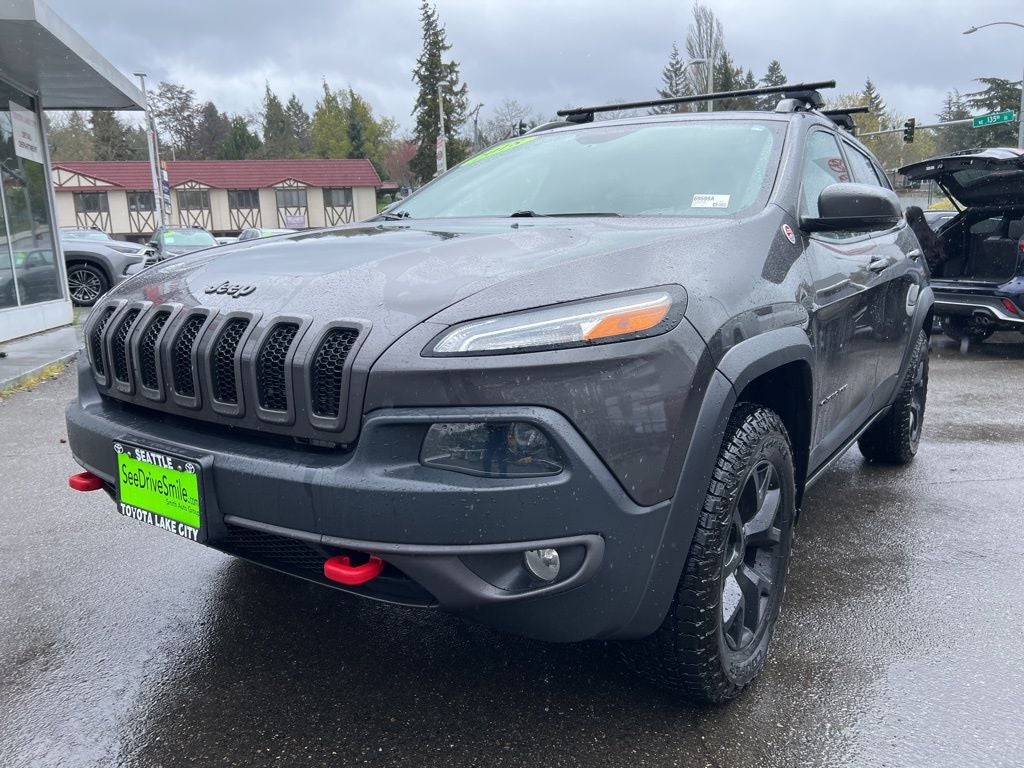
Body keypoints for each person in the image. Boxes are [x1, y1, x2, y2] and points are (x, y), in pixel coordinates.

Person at [904, 206, 947, 275]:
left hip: (922, 275)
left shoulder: (913, 237)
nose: (904, 220)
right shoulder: (930, 234)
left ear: (909, 219)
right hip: (936, 273)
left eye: (905, 217)